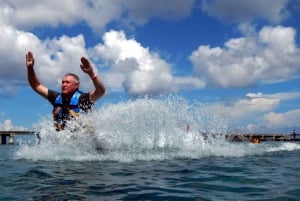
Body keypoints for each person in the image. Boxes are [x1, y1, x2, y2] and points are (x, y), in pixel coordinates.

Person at [25, 51, 106, 131]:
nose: (64, 84)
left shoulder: (83, 99)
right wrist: (30, 68)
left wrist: (91, 73)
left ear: (76, 85)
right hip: (63, 140)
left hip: (84, 141)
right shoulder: (56, 98)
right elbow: (36, 86)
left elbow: (100, 91)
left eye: (67, 82)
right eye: (63, 82)